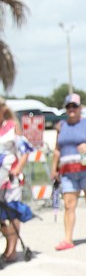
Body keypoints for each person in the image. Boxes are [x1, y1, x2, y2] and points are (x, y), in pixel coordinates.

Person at [50, 93, 86, 250]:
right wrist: (54, 168)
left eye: (74, 106)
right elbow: (57, 150)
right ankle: (68, 239)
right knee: (68, 205)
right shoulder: (61, 126)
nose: (71, 109)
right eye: (68, 107)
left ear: (80, 108)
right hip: (68, 171)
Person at [0, 98, 30, 262]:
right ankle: (9, 243)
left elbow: (25, 151)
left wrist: (17, 170)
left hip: (11, 179)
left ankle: (11, 249)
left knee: (12, 211)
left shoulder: (12, 127)